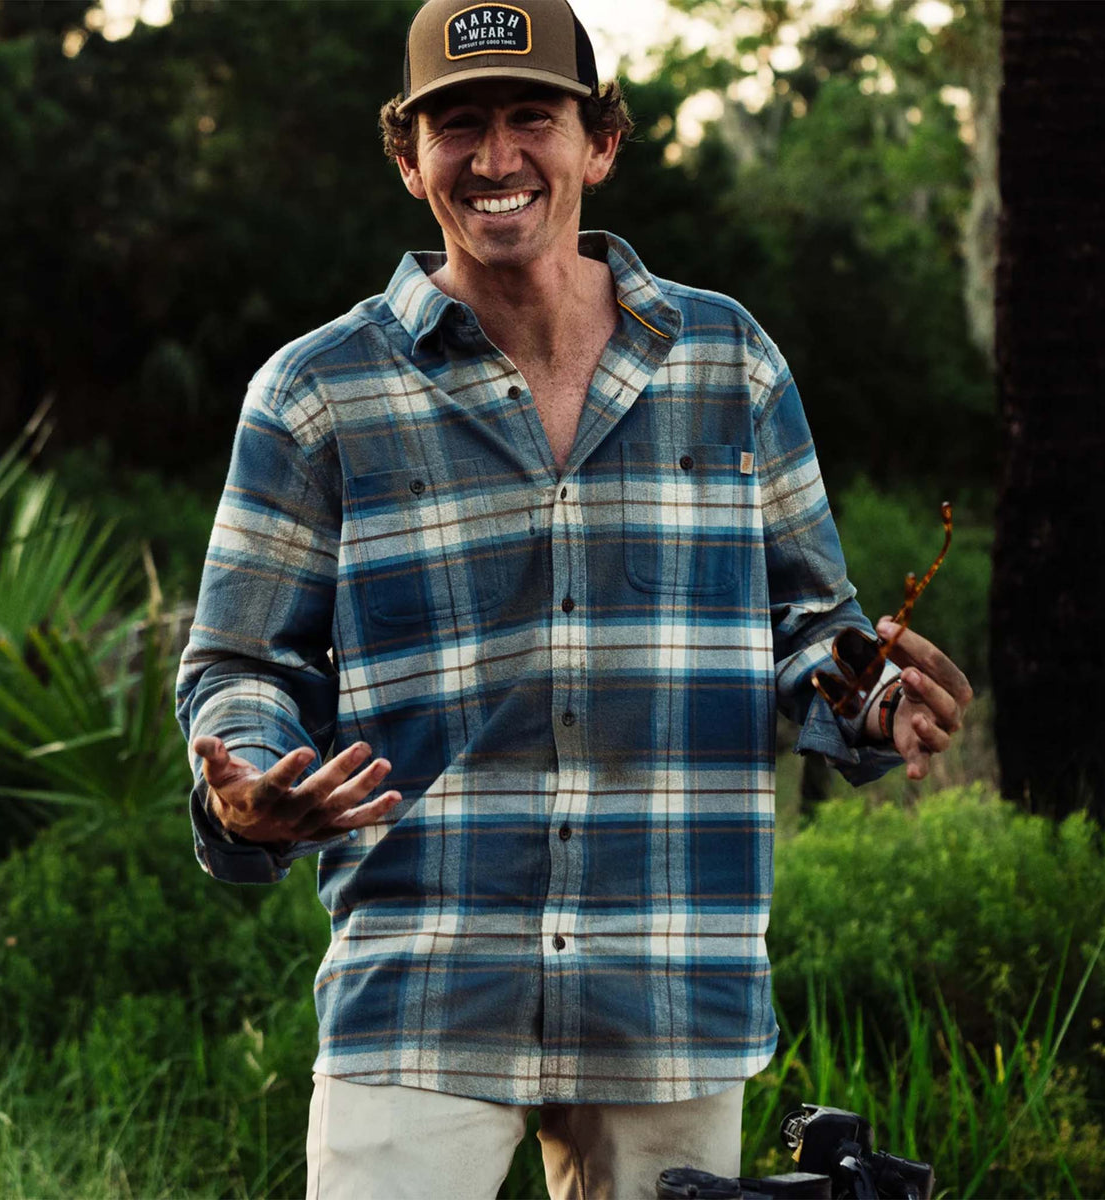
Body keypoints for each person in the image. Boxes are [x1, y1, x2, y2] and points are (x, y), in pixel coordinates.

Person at [175, 2, 973, 1197]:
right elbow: (242, 668)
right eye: (459, 127)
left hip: (668, 987)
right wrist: (243, 782)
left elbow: (814, 632)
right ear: (408, 160)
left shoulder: (730, 362)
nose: (496, 159)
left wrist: (876, 697)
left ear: (598, 142)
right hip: (424, 983)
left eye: (530, 118)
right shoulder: (313, 393)